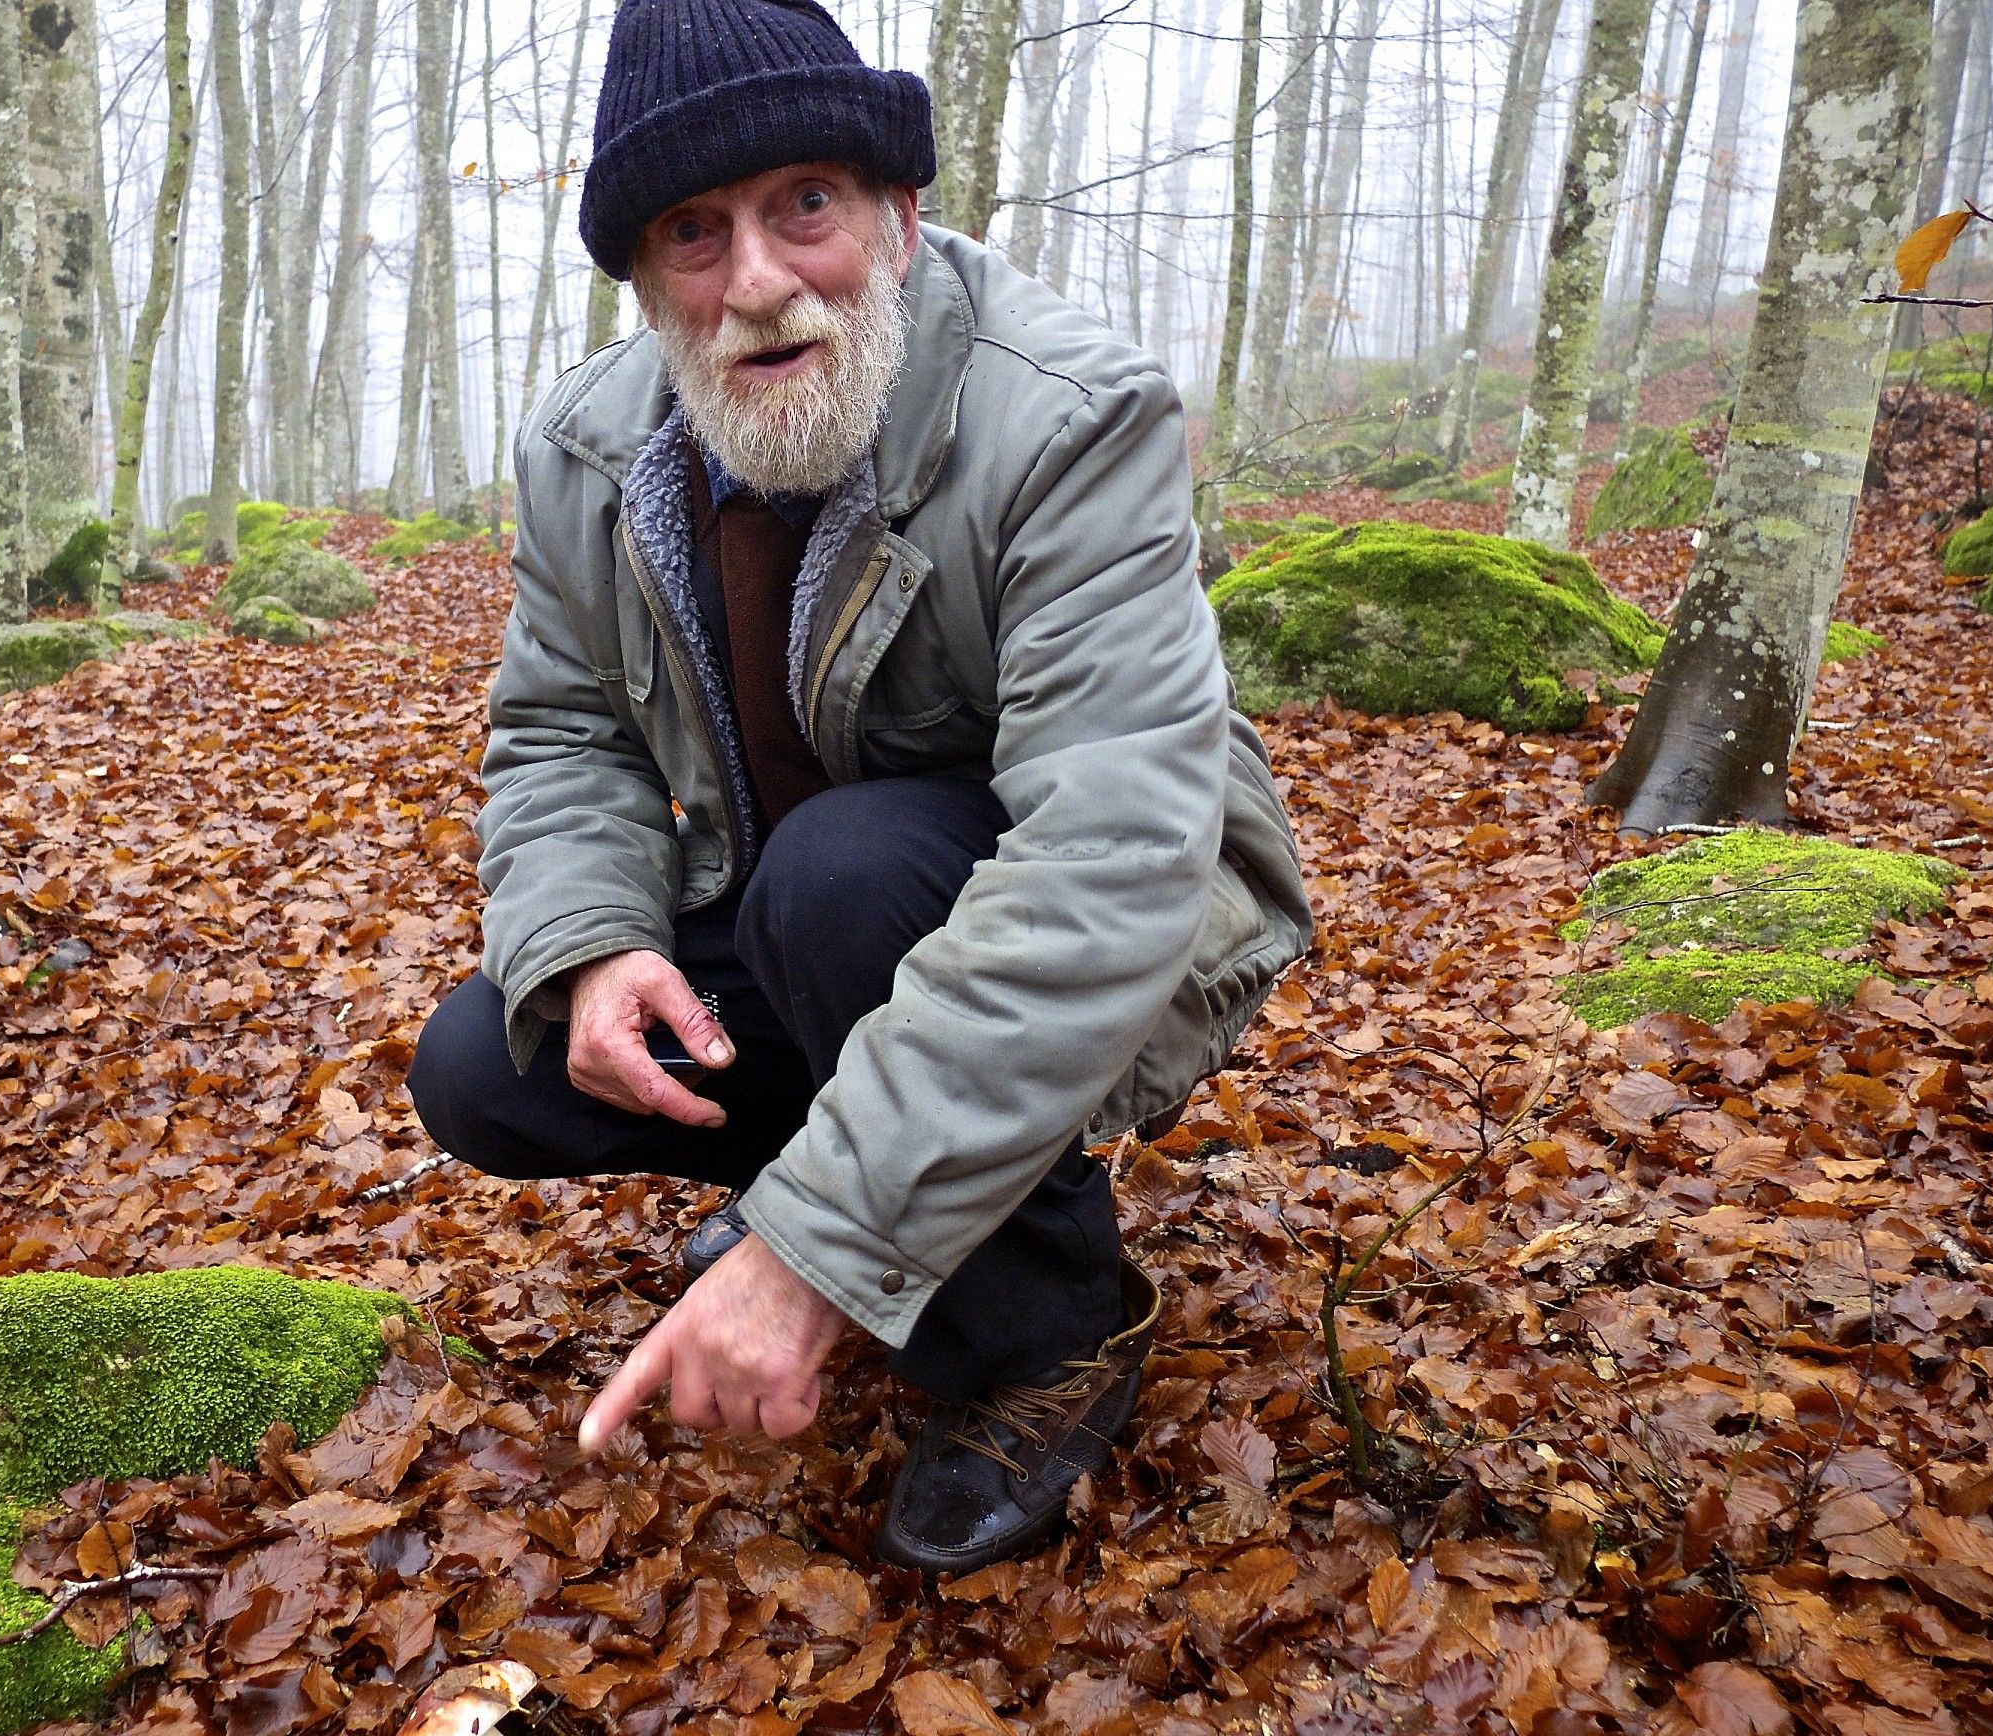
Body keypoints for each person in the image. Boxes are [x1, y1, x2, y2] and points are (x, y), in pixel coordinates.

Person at [406, 0, 1313, 1575]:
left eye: (803, 206)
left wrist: (808, 1256)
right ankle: (873, 1194)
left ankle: (1052, 1340)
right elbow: (560, 736)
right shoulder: (591, 452)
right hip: (811, 917)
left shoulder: (1065, 417)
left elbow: (1114, 855)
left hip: (1099, 923)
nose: (758, 281)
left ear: (898, 215)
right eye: (697, 233)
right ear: (644, 282)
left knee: (842, 871)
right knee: (493, 1059)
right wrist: (596, 944)